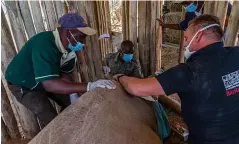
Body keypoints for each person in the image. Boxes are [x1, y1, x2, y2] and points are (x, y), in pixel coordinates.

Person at [114, 14, 239, 144]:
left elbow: (137, 88)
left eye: (186, 38)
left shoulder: (188, 72)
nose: (184, 43)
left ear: (199, 36)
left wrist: (120, 77)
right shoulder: (237, 54)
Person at [5, 13, 116, 129]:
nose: (83, 43)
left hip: (48, 79)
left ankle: (73, 130)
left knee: (73, 104)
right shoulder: (44, 44)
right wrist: (89, 86)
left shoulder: (68, 49)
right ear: (69, 33)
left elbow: (64, 73)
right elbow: (50, 85)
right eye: (81, 37)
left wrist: (72, 94)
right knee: (49, 118)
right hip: (24, 84)